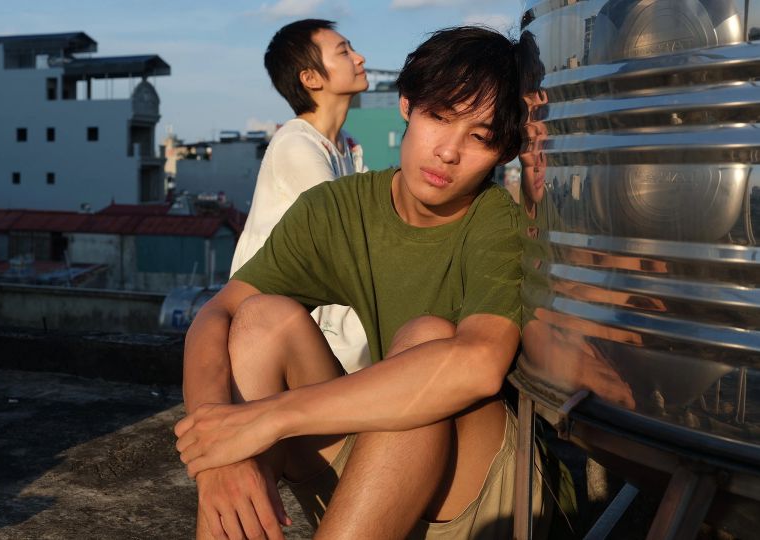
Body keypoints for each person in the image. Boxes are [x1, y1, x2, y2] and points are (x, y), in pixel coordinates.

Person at [178, 26, 552, 540]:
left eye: (480, 137)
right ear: (407, 105)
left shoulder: (496, 223)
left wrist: (269, 418)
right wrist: (218, 448)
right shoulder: (338, 209)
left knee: (427, 340)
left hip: (484, 496)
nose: (448, 152)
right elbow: (217, 312)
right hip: (379, 480)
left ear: (503, 152)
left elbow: (480, 364)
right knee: (261, 318)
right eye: (439, 117)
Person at [231, 18, 371, 375]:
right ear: (310, 78)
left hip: (316, 299)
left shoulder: (349, 145)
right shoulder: (297, 143)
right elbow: (343, 232)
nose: (360, 58)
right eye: (344, 51)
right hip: (277, 309)